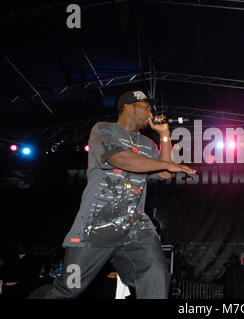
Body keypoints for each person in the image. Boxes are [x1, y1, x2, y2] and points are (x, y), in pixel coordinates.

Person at [45, 90, 196, 299]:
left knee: (156, 277)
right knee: (70, 287)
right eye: (145, 107)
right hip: (96, 225)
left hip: (134, 226)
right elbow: (122, 160)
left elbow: (164, 172)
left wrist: (164, 135)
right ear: (128, 107)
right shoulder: (103, 130)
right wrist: (168, 163)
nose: (150, 112)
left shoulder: (146, 144)